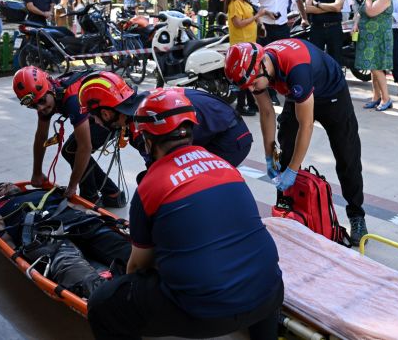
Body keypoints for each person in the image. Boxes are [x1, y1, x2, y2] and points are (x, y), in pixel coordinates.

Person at [87, 88, 283, 340]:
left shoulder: (151, 185)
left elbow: (138, 265)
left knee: (102, 305)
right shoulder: (225, 166)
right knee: (261, 277)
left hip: (205, 314)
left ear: (147, 139)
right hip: (270, 294)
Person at [225, 41, 368, 245]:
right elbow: (266, 112)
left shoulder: (295, 68)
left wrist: (292, 170)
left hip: (331, 95)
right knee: (285, 149)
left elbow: (307, 125)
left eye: (254, 84)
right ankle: (286, 208)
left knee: (347, 155)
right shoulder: (256, 70)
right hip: (298, 95)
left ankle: (357, 216)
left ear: (263, 66)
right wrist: (269, 154)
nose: (253, 89)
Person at [0, 183, 130, 299]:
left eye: (9, 183)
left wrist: (87, 212)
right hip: (43, 231)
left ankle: (147, 277)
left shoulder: (43, 192)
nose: (8, 185)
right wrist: (14, 252)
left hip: (77, 221)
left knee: (126, 251)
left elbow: (71, 205)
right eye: (2, 188)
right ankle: (112, 298)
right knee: (71, 267)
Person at [78, 71, 253, 167]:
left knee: (197, 182)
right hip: (222, 125)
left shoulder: (142, 126)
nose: (97, 123)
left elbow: (160, 168)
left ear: (106, 114)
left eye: (94, 117)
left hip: (230, 138)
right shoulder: (143, 104)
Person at [12, 66, 125, 208]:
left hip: (113, 115)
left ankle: (91, 197)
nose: (40, 108)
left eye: (41, 101)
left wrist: (72, 186)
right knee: (71, 150)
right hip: (95, 109)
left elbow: (85, 147)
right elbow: (41, 137)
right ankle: (112, 193)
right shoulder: (47, 95)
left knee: (76, 149)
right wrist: (37, 172)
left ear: (50, 89)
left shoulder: (71, 99)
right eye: (34, 106)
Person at [251, 0, 308, 105]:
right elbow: (253, 4)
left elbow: (298, 0)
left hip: (282, 28)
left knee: (283, 60)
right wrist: (265, 12)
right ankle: (269, 93)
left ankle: (283, 90)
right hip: (264, 28)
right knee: (264, 61)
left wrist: (304, 18)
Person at [226, 0, 270, 115]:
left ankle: (251, 103)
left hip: (250, 45)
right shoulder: (234, 3)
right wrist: (257, 17)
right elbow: (238, 24)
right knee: (242, 77)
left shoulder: (246, 3)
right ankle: (240, 106)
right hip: (240, 46)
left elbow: (251, 20)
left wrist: (260, 24)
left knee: (251, 75)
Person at [352, 0, 394, 111]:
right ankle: (376, 97)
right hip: (368, 38)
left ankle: (386, 98)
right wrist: (356, 24)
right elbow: (360, 11)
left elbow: (370, 12)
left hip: (379, 38)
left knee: (377, 68)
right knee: (372, 68)